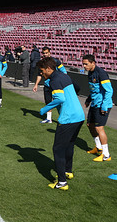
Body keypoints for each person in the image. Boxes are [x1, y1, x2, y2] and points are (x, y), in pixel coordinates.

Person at [38, 57, 85, 191]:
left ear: (48, 68)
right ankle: (68, 171)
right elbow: (77, 88)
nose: (42, 74)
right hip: (79, 116)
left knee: (58, 150)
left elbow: (60, 98)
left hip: (68, 118)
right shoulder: (64, 76)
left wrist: (45, 109)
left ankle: (62, 182)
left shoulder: (55, 80)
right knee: (69, 145)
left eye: (42, 71)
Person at [82, 55, 114, 162]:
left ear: (93, 63)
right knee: (89, 125)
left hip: (103, 105)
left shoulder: (101, 73)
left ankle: (106, 155)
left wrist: (104, 105)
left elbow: (109, 91)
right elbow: (94, 89)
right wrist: (88, 99)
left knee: (99, 128)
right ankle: (98, 147)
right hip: (95, 103)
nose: (84, 66)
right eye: (83, 64)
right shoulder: (90, 73)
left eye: (86, 64)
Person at [33, 47, 68, 124]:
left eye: (46, 53)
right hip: (47, 85)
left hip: (56, 85)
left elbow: (64, 72)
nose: (45, 54)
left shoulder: (56, 62)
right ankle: (49, 119)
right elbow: (39, 75)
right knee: (48, 102)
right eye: (44, 53)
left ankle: (63, 118)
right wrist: (36, 84)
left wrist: (61, 81)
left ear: (49, 53)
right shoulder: (41, 63)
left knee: (59, 101)